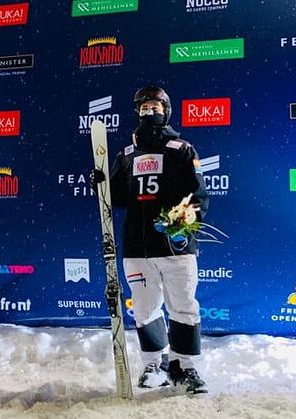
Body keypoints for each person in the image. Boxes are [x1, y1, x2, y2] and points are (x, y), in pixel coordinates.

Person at [92, 86, 209, 394]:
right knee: (144, 309)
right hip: (137, 246)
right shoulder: (127, 154)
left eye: (156, 106)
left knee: (183, 305)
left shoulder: (180, 149)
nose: (150, 111)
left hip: (175, 246)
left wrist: (183, 225)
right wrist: (101, 181)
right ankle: (153, 364)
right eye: (144, 107)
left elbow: (198, 197)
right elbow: (114, 196)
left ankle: (184, 365)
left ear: (166, 110)